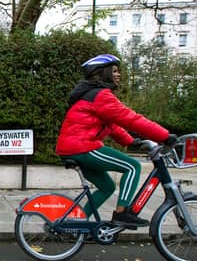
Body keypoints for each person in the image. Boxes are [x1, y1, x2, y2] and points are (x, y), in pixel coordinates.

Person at [55, 54, 176, 227]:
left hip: (73, 147)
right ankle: (122, 213)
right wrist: (164, 136)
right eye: (114, 71)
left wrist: (130, 142)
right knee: (132, 166)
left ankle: (76, 224)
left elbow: (111, 124)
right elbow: (130, 119)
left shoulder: (92, 95)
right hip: (83, 147)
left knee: (107, 187)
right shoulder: (101, 95)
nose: (118, 75)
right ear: (102, 73)